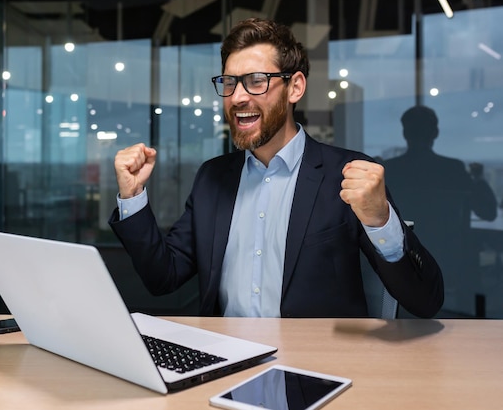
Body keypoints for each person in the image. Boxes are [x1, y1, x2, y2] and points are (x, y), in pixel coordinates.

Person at [109, 18, 443, 318]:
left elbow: (425, 302)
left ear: (295, 87)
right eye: (229, 82)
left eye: (256, 81)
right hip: (225, 363)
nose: (238, 97)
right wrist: (133, 196)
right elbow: (163, 277)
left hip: (315, 370)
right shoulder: (213, 178)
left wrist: (380, 220)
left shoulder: (346, 174)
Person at [383, 105, 497, 314]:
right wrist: (479, 179)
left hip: (403, 257)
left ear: (405, 133)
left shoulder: (390, 170)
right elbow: (488, 212)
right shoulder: (451, 169)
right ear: (435, 133)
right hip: (451, 256)